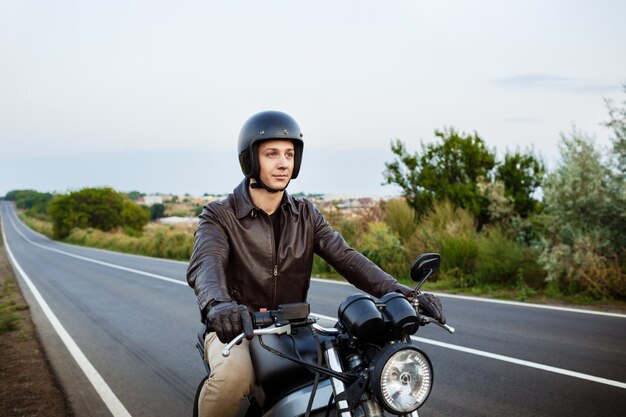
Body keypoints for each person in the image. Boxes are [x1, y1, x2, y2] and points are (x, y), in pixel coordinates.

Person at [186, 110, 445, 417]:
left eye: (289, 154)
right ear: (250, 159)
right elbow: (206, 264)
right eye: (271, 154)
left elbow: (347, 258)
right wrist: (218, 306)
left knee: (354, 370)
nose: (283, 163)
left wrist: (403, 293)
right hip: (236, 329)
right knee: (232, 379)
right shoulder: (220, 215)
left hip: (295, 328)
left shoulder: (306, 215)